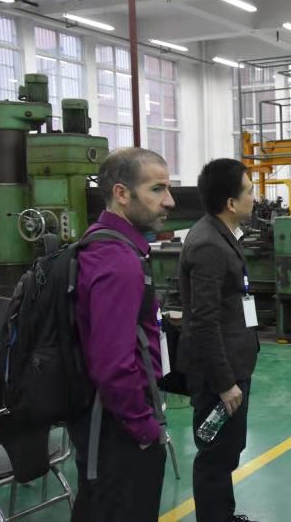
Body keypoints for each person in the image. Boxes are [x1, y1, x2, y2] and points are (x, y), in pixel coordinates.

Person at [69, 148, 175, 522]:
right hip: (119, 427)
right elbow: (112, 363)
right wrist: (143, 427)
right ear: (122, 193)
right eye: (157, 189)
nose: (169, 201)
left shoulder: (101, 242)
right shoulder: (118, 261)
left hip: (104, 419)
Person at [177, 158, 260, 522]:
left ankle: (222, 515)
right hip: (217, 373)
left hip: (232, 363)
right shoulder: (209, 245)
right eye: (249, 191)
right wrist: (225, 383)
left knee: (227, 449)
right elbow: (204, 322)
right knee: (214, 454)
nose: (254, 197)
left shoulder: (220, 234)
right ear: (230, 202)